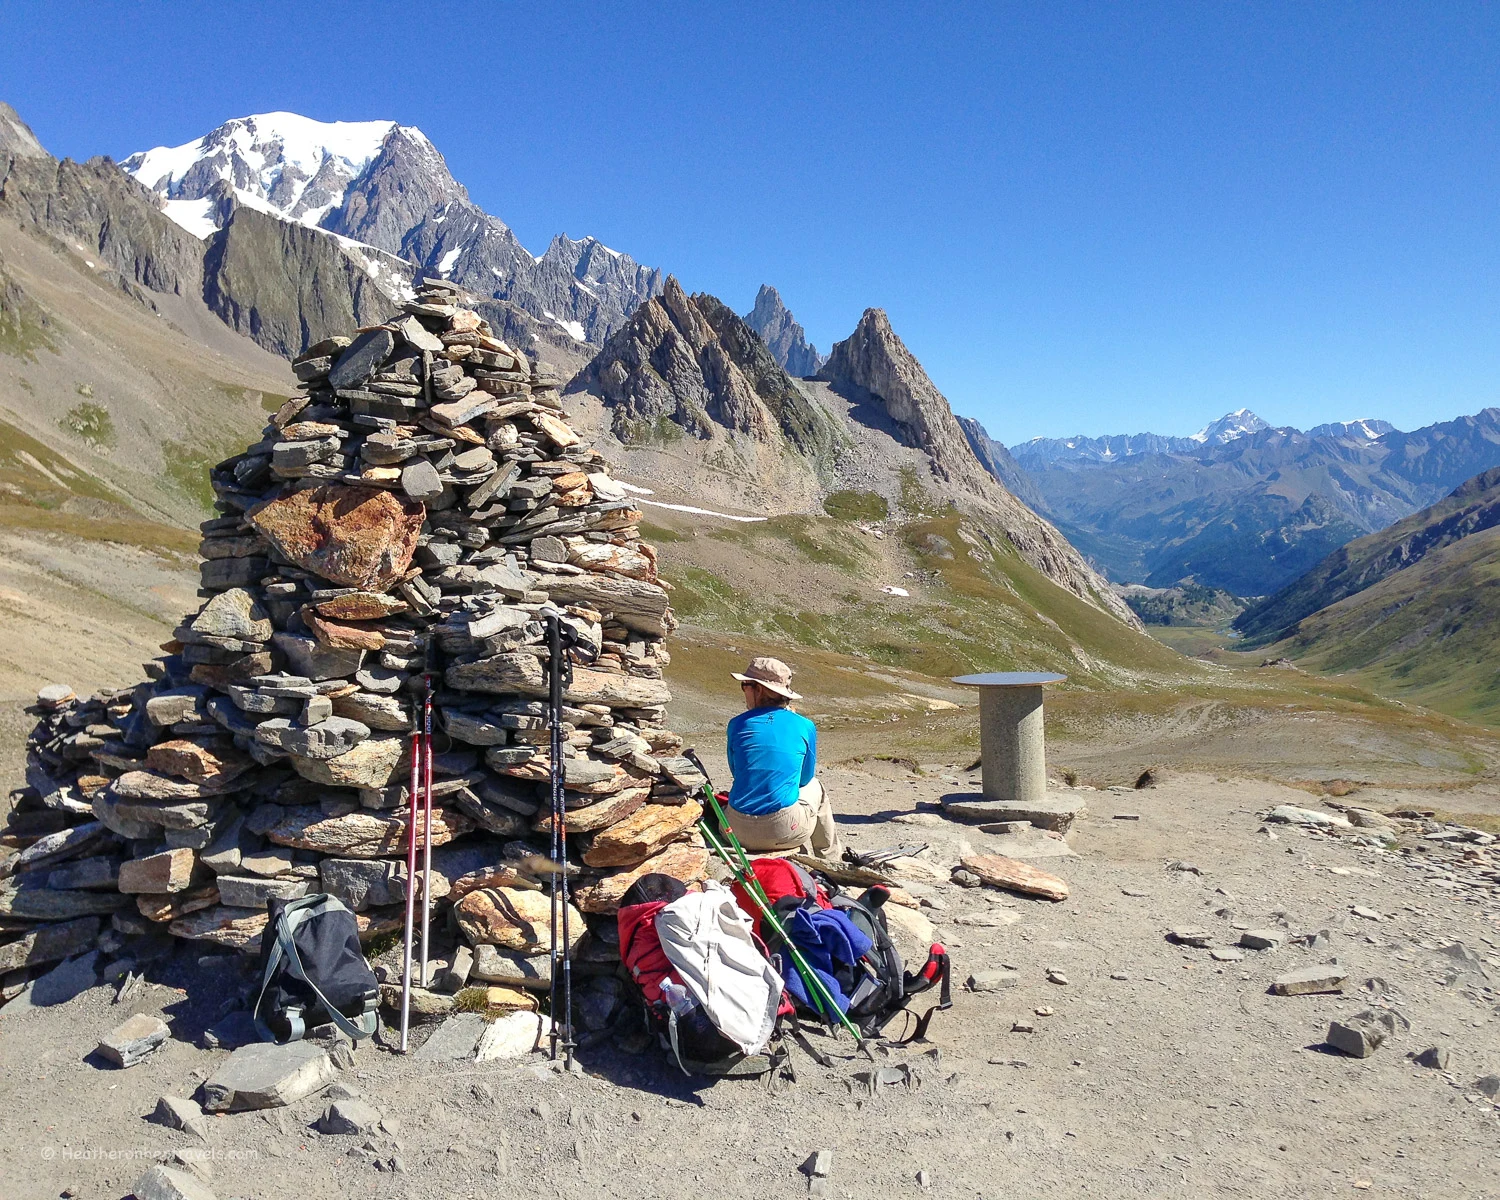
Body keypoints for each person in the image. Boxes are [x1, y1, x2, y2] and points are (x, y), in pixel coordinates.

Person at [723, 656, 841, 859]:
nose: (743, 691)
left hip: (735, 830)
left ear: (759, 689)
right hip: (783, 829)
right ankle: (831, 861)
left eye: (745, 685)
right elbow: (805, 779)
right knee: (816, 787)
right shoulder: (805, 725)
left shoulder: (737, 724)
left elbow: (737, 771)